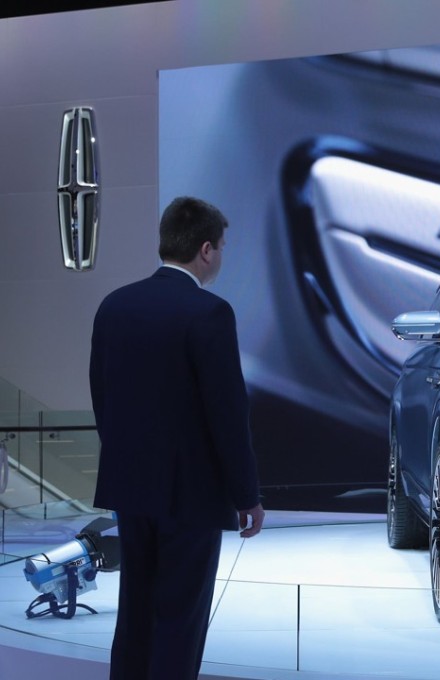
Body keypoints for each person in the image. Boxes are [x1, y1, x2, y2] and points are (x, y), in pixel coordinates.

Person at [89, 196, 264, 680]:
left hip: (131, 490)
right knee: (179, 621)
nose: (222, 257)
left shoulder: (114, 306)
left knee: (136, 613)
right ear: (205, 250)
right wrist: (246, 494)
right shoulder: (208, 313)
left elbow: (102, 398)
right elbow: (228, 414)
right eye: (222, 247)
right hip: (191, 497)